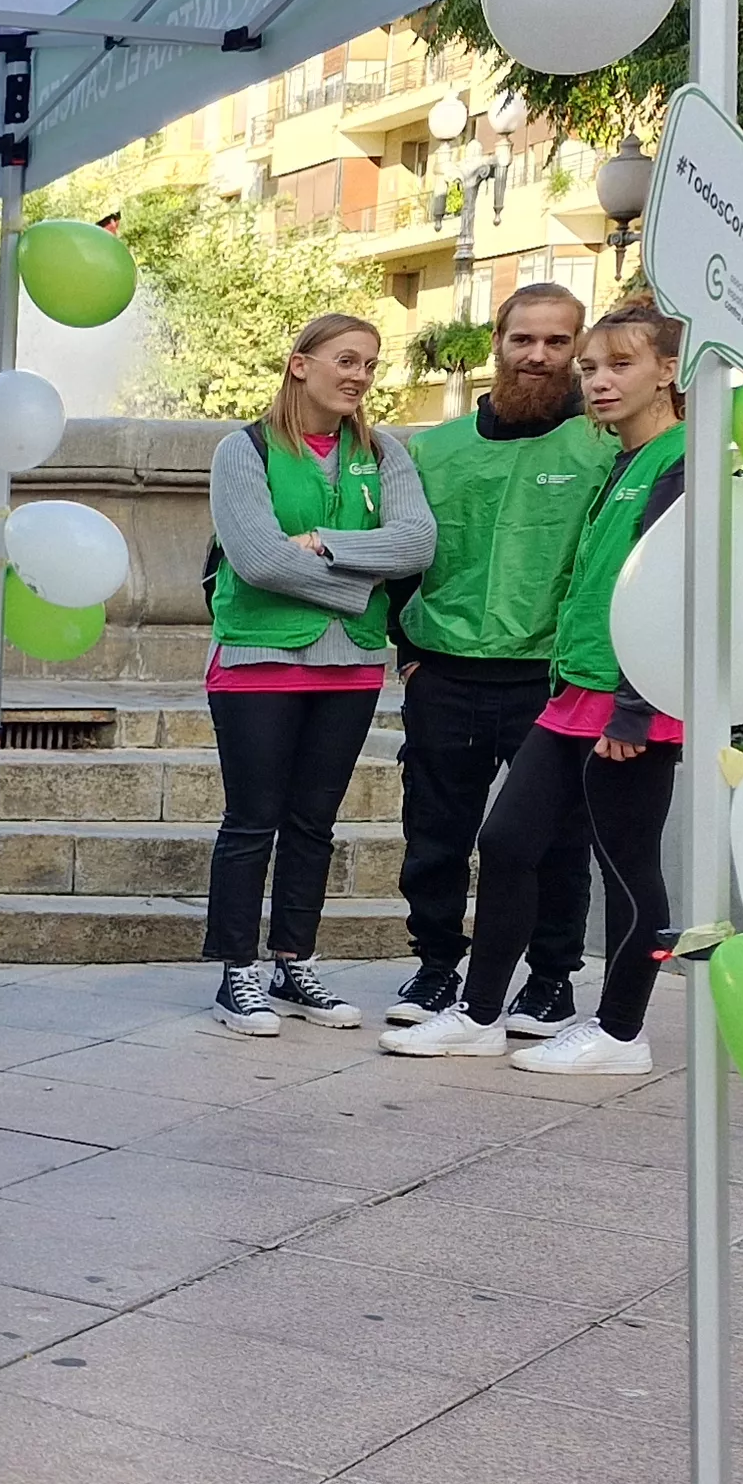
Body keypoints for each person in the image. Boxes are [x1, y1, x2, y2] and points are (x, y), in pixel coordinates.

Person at [382, 303, 690, 1075]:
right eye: (591, 368)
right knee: (509, 841)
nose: (597, 380)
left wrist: (636, 704)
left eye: (619, 364)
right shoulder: (623, 455)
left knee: (628, 869)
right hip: (574, 687)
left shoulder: (684, 461)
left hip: (629, 698)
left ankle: (620, 1032)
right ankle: (481, 1014)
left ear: (668, 371)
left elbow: (679, 593)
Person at [195, 313, 432, 1035]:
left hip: (351, 667)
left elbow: (418, 541)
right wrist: (360, 583)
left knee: (313, 825)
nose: (359, 375)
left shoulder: (383, 453)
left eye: (369, 364)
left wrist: (326, 542)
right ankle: (237, 972)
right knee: (251, 822)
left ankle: (294, 961)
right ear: (301, 364)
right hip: (259, 660)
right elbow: (258, 558)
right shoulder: (243, 451)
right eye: (346, 359)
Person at [391, 284, 610, 1033]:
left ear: (577, 349)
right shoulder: (433, 448)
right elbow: (396, 552)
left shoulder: (605, 447)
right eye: (525, 340)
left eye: (556, 342)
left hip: (552, 678)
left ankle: (551, 980)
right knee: (434, 832)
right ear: (498, 341)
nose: (539, 356)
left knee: (557, 841)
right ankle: (434, 970)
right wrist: (407, 648)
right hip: (445, 670)